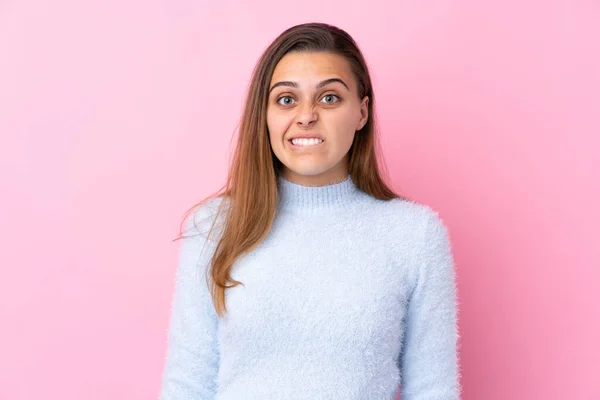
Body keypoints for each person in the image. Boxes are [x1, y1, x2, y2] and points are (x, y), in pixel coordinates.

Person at [159, 22, 460, 400]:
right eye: (286, 99)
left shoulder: (414, 235)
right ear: (264, 115)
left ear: (362, 112)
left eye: (329, 98)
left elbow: (433, 390)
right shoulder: (214, 226)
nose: (306, 116)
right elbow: (188, 384)